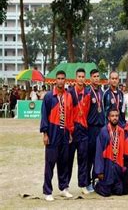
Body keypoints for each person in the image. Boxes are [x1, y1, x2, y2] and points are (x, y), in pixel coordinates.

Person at [40, 70, 74, 201]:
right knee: (50, 163)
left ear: (65, 80)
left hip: (65, 133)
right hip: (53, 132)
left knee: (64, 162)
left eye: (62, 78)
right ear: (56, 80)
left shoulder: (68, 96)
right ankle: (47, 191)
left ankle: (64, 188)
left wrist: (70, 131)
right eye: (58, 78)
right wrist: (45, 133)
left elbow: (70, 115)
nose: (60, 81)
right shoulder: (49, 96)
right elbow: (44, 116)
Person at [67, 68, 91, 195]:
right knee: (68, 159)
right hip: (72, 129)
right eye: (79, 76)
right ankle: (65, 186)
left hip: (83, 129)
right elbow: (68, 112)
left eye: (83, 76)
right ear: (76, 78)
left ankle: (82, 184)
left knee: (83, 158)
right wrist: (70, 130)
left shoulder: (87, 93)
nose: (81, 78)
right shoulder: (70, 93)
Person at [94, 109, 126, 197]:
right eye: (112, 116)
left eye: (116, 116)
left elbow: (123, 150)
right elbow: (99, 152)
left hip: (117, 164)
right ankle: (97, 184)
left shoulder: (121, 131)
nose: (115, 118)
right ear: (108, 118)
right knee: (106, 193)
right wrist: (99, 171)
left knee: (119, 191)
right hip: (107, 164)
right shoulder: (104, 131)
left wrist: (123, 166)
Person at [85, 69, 106, 192]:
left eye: (98, 76)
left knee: (98, 156)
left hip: (101, 128)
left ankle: (95, 180)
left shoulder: (102, 93)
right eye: (94, 76)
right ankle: (87, 182)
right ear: (91, 78)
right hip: (91, 127)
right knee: (89, 156)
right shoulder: (88, 92)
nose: (97, 78)